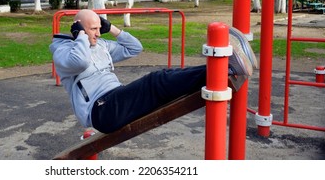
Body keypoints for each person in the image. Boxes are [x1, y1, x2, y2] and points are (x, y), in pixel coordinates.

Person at [49, 9, 257, 134]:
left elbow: (135, 48)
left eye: (98, 28)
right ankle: (224, 68)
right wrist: (80, 37)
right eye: (92, 29)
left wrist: (112, 28)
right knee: (155, 81)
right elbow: (80, 61)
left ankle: (223, 68)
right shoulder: (63, 51)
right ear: (77, 28)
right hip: (101, 110)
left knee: (165, 78)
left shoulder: (101, 45)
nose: (96, 33)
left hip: (117, 100)